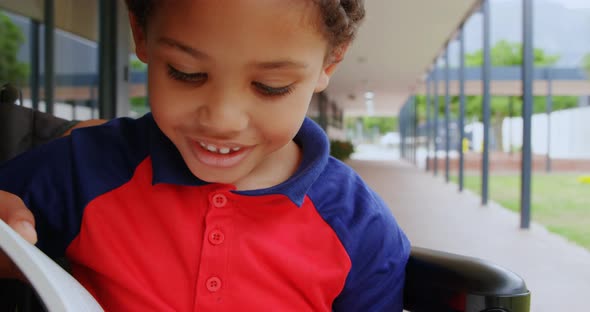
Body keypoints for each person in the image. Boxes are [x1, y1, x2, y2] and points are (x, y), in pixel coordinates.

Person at [0, 0, 410, 310]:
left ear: (331, 62)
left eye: (270, 85)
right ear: (140, 34)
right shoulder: (83, 167)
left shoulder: (360, 228)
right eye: (186, 73)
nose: (222, 119)